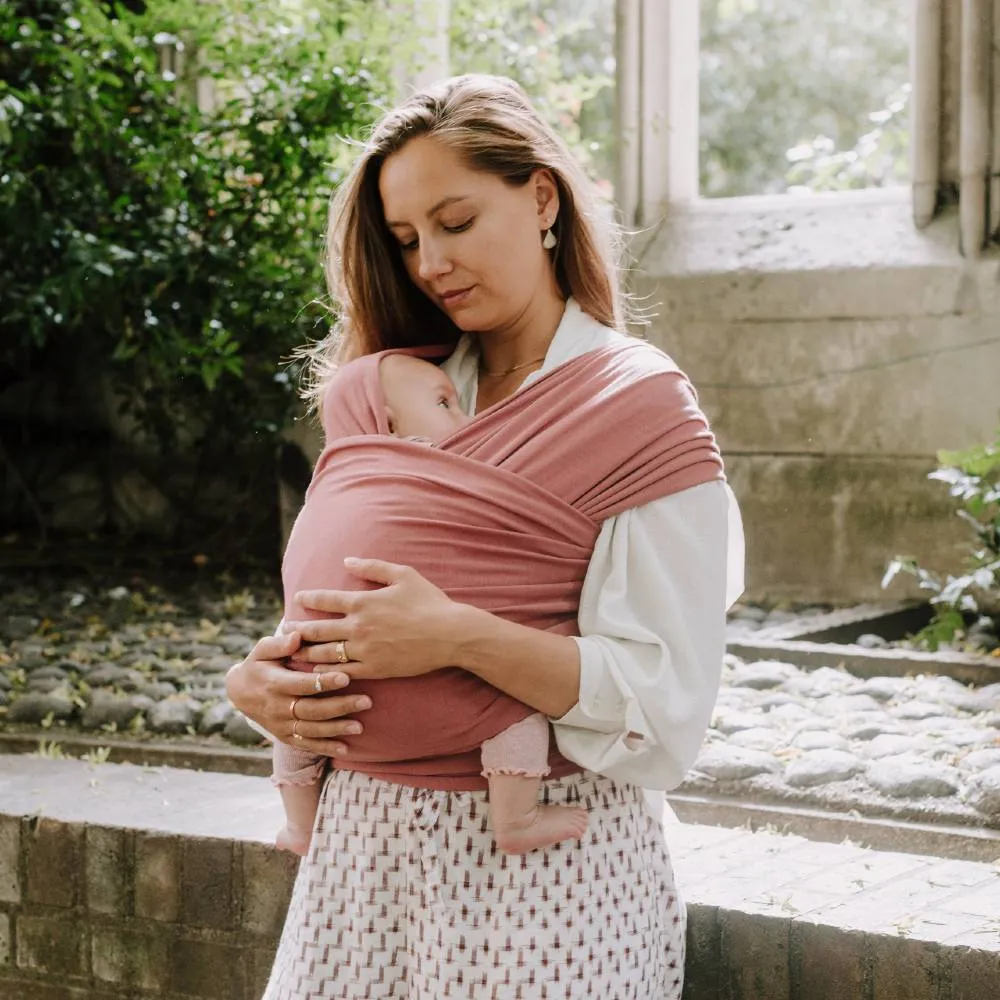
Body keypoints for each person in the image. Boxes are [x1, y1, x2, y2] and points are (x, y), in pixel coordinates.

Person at [226, 73, 744, 999]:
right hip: (360, 857)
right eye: (407, 239)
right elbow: (340, 600)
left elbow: (665, 706)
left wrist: (460, 636)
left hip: (550, 870)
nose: (430, 263)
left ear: (541, 198)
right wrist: (263, 680)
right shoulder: (397, 393)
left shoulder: (637, 405)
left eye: (456, 223)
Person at [274, 350, 589, 857]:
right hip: (446, 704)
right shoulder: (433, 472)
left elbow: (303, 576)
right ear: (390, 424)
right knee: (516, 703)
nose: (467, 420)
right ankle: (517, 817)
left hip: (333, 710)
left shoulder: (327, 493)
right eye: (446, 403)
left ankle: (300, 823)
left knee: (288, 719)